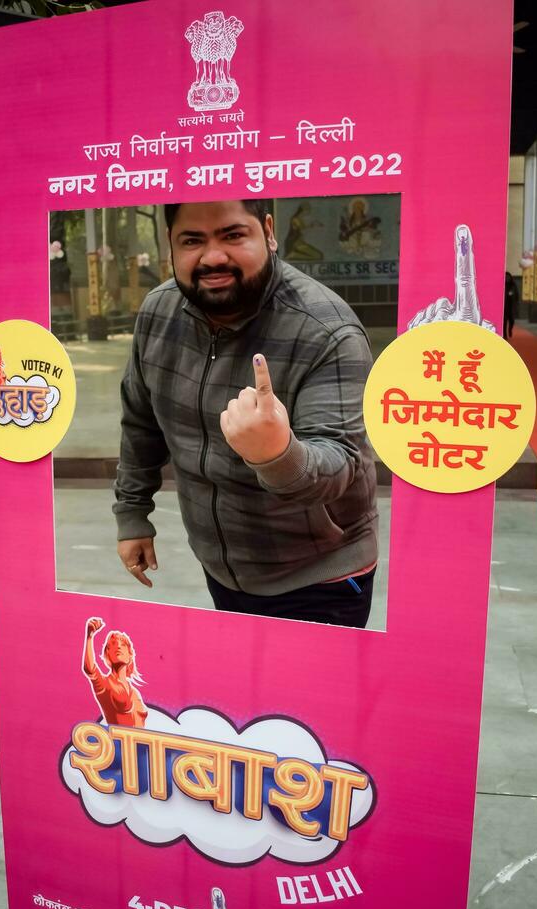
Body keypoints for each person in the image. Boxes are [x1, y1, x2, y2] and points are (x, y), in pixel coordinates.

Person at [113, 199, 378, 629]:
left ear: (268, 232)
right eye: (192, 240)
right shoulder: (157, 314)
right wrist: (132, 514)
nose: (213, 256)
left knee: (303, 697)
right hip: (221, 568)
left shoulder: (325, 330)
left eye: (233, 235)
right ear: (170, 245)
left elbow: (343, 463)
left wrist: (277, 453)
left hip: (319, 580)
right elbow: (140, 421)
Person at [82, 617, 148, 727]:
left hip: (140, 743)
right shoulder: (105, 685)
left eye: (123, 645)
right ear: (107, 653)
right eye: (113, 644)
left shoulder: (135, 692)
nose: (118, 646)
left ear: (130, 655)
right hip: (118, 742)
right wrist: (89, 636)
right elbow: (90, 668)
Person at [503, 271, 518, 339]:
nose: (507, 278)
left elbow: (517, 294)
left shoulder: (513, 285)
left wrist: (513, 295)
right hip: (504, 306)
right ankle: (505, 335)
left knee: (512, 320)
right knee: (504, 322)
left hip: (511, 306)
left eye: (508, 277)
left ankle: (510, 330)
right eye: (505, 277)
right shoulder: (502, 284)